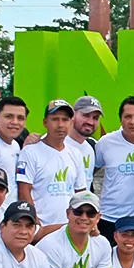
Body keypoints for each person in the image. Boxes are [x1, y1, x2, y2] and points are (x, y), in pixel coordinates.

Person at [19, 100, 91, 238]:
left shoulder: (75, 154)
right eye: (55, 119)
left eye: (65, 120)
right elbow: (24, 191)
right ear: (45, 122)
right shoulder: (30, 152)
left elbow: (80, 193)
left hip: (70, 229)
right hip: (42, 229)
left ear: (71, 123)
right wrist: (34, 223)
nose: (60, 125)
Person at [95, 96, 134, 237]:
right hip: (109, 218)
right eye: (128, 117)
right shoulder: (105, 143)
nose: (133, 122)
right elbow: (90, 172)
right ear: (120, 119)